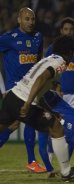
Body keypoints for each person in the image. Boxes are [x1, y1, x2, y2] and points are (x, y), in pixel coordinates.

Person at [0, 35, 74, 181]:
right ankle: (66, 172)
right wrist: (28, 103)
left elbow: (40, 90)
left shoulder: (49, 58)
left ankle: (66, 171)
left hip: (12, 97)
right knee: (56, 127)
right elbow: (41, 79)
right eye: (73, 51)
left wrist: (50, 110)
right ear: (69, 52)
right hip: (23, 101)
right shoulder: (60, 62)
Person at [39, 17, 74, 174]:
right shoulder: (53, 48)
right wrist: (52, 87)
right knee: (55, 128)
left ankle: (66, 165)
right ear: (61, 31)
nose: (68, 32)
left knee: (73, 131)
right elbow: (45, 69)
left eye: (71, 29)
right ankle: (50, 163)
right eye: (65, 29)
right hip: (56, 95)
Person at [0, 7, 47, 173]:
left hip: (30, 88)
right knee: (13, 123)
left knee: (14, 124)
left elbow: (40, 61)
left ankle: (31, 161)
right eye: (27, 19)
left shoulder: (38, 37)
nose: (30, 22)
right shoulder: (8, 38)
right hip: (14, 89)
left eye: (32, 19)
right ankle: (31, 160)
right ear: (19, 20)